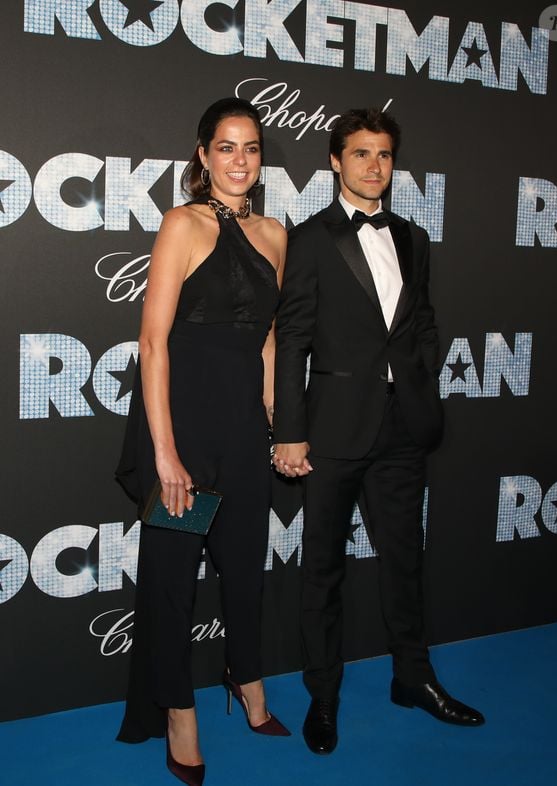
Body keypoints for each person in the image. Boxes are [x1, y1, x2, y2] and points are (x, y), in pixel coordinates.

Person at [272, 108, 484, 755]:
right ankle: (324, 697)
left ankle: (413, 679)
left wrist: (419, 379)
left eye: (385, 155)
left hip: (402, 430)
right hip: (332, 430)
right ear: (335, 161)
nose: (374, 166)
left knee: (405, 563)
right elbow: (293, 341)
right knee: (323, 572)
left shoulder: (415, 237)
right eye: (361, 154)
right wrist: (290, 430)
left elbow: (423, 323)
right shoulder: (309, 237)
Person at [115, 97, 289, 786]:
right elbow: (153, 342)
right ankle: (177, 712)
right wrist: (164, 453)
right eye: (226, 147)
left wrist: (280, 426)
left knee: (246, 572)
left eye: (250, 147)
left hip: (245, 432)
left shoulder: (278, 234)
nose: (239, 160)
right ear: (202, 154)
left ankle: (248, 681)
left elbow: (269, 340)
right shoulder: (180, 225)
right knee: (171, 587)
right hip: (181, 430)